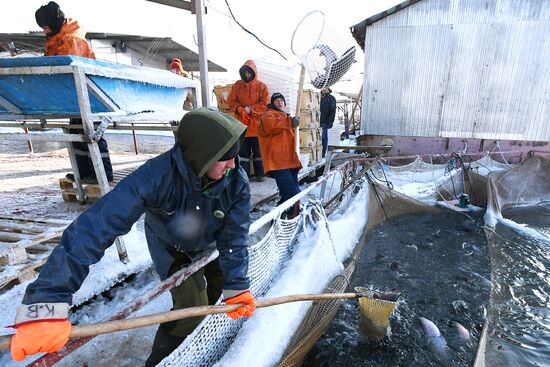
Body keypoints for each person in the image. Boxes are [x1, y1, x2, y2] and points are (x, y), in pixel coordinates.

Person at [9, 108, 257, 365]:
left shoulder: (235, 180)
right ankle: (165, 361)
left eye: (234, 156)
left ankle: (207, 339)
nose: (233, 164)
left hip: (212, 243)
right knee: (190, 310)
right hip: (171, 247)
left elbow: (235, 235)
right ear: (202, 154)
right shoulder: (156, 177)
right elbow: (95, 227)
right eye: (225, 158)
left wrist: (237, 285)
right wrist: (46, 303)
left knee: (220, 292)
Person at [35, 1, 113, 184]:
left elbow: (69, 68)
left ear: (53, 23)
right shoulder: (56, 38)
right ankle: (84, 172)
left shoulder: (72, 40)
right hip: (73, 97)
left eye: (46, 26)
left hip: (89, 95)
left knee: (92, 134)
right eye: (42, 27)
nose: (44, 31)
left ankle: (103, 173)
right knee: (77, 134)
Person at [258, 93, 302, 218]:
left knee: (288, 192)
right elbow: (271, 126)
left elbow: (293, 139)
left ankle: (282, 215)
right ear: (272, 103)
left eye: (281, 100)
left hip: (290, 161)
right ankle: (290, 216)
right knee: (293, 193)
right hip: (278, 162)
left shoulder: (285, 118)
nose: (279, 102)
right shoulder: (268, 115)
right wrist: (289, 122)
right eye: (276, 100)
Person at [228, 60, 269, 182]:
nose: (247, 75)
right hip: (242, 126)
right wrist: (238, 108)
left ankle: (260, 175)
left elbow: (264, 104)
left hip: (257, 126)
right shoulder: (237, 85)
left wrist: (251, 109)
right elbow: (231, 100)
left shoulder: (262, 86)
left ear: (253, 72)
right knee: (243, 153)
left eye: (249, 72)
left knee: (258, 153)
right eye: (244, 72)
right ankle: (243, 177)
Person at [320, 87, 337, 158]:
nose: (324, 89)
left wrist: (331, 121)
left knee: (323, 137)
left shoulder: (331, 98)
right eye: (323, 88)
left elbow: (333, 111)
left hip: (325, 121)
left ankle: (322, 154)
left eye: (326, 88)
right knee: (317, 138)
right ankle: (318, 153)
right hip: (316, 121)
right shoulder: (318, 96)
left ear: (329, 89)